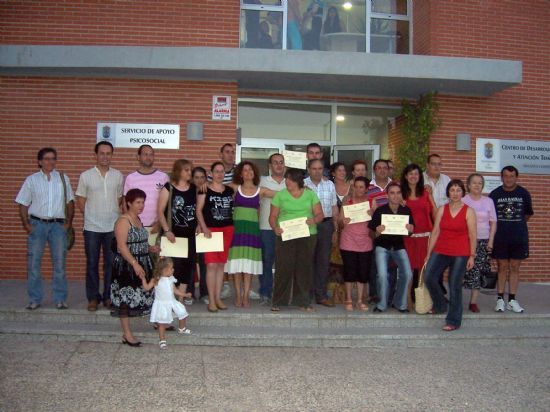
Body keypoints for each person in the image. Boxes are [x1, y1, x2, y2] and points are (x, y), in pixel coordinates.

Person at [15, 147, 75, 310]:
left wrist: (68, 222)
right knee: (33, 264)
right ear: (40, 161)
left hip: (57, 226)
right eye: (47, 159)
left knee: (60, 264)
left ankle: (60, 299)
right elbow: (23, 203)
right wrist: (27, 225)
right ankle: (35, 299)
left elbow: (70, 202)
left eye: (53, 158)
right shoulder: (31, 180)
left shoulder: (63, 179)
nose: (51, 162)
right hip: (37, 225)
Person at [76, 141, 123, 312]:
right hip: (92, 228)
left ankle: (108, 297)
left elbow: (119, 199)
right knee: (92, 263)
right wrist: (91, 215)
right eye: (102, 153)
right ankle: (93, 298)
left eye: (108, 153)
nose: (105, 156)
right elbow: (80, 199)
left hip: (112, 227)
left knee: (111, 264)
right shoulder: (86, 176)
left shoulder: (118, 176)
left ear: (112, 155)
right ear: (95, 155)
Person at [424, 180, 477, 331]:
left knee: (454, 285)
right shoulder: (442, 209)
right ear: (448, 193)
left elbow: (473, 235)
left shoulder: (469, 211)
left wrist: (472, 255)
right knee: (429, 277)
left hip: (461, 252)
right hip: (441, 249)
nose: (455, 193)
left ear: (463, 193)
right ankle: (440, 304)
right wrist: (429, 253)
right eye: (452, 190)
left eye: (458, 190)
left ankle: (453, 320)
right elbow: (435, 232)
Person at [269, 168, 323, 312]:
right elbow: (273, 216)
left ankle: (303, 301)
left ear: (298, 181)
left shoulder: (310, 194)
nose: (287, 182)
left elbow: (320, 215)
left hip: (307, 234)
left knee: (304, 268)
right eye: (286, 179)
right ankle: (278, 301)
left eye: (290, 180)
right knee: (283, 267)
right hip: (285, 235)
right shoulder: (280, 195)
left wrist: (313, 220)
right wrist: (275, 228)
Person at [110, 189, 155, 347]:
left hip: (142, 263)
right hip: (127, 265)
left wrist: (150, 248)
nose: (141, 205)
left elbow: (138, 241)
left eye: (143, 202)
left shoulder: (137, 219)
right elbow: (122, 246)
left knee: (141, 295)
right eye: (138, 202)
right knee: (125, 298)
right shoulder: (123, 221)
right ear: (129, 202)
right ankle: (127, 334)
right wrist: (134, 264)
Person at [226, 161, 274, 308]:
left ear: (254, 172)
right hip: (237, 231)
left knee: (248, 266)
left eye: (250, 170)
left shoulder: (261, 191)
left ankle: (246, 295)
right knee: (236, 266)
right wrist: (203, 185)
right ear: (240, 173)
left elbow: (283, 194)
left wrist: (302, 188)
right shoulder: (234, 188)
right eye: (245, 170)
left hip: (253, 232)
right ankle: (238, 295)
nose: (248, 172)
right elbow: (215, 188)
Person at [490, 166, 533, 313]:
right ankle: (500, 299)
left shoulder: (524, 193)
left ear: (516, 177)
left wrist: (515, 224)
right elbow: (492, 217)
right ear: (501, 177)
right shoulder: (494, 194)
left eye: (512, 176)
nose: (509, 179)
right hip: (500, 238)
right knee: (502, 267)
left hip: (518, 237)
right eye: (506, 176)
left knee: (515, 267)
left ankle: (512, 300)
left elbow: (527, 215)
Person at [368, 182, 414, 313]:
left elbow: (410, 231)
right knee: (382, 275)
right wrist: (376, 231)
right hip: (382, 247)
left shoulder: (406, 210)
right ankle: (382, 304)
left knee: (408, 274)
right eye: (392, 193)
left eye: (398, 193)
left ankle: (400, 303)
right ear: (387, 195)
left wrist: (411, 230)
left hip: (399, 247)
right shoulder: (380, 211)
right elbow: (370, 233)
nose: (395, 196)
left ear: (401, 195)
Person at [157, 159, 198, 304]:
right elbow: (160, 211)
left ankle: (180, 299)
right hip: (172, 235)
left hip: (190, 235)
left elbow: (197, 210)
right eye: (186, 170)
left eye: (190, 170)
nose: (189, 172)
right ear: (178, 171)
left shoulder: (194, 188)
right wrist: (167, 230)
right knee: (171, 267)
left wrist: (199, 225)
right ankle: (169, 298)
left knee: (187, 267)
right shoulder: (169, 188)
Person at [197, 161, 235, 313]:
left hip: (227, 229)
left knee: (221, 265)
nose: (220, 174)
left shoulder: (229, 190)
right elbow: (198, 210)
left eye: (222, 171)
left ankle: (218, 298)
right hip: (210, 231)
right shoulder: (204, 189)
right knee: (211, 265)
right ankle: (211, 300)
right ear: (211, 173)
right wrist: (204, 227)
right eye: (217, 171)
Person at [305, 159, 339, 307]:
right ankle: (306, 295)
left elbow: (334, 208)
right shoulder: (303, 185)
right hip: (307, 226)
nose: (317, 171)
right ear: (308, 169)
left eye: (320, 168)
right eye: (314, 168)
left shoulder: (330, 185)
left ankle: (321, 295)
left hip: (326, 225)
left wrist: (335, 229)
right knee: (306, 260)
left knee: (323, 262)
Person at [401, 164, 436, 307]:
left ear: (420, 176)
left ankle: (423, 301)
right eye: (410, 174)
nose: (413, 176)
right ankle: (407, 299)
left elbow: (434, 211)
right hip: (408, 238)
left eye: (416, 174)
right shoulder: (400, 194)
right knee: (408, 269)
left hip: (425, 237)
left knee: (424, 269)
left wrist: (439, 229)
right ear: (405, 176)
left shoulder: (426, 192)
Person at [140, 257, 192, 350]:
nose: (173, 270)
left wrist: (184, 294)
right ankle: (162, 340)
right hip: (162, 304)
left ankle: (182, 328)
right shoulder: (156, 280)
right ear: (164, 270)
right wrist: (143, 279)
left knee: (182, 312)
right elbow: (147, 288)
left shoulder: (171, 279)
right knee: (162, 323)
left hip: (172, 301)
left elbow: (175, 290)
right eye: (171, 268)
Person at [463, 173, 497, 313]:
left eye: (479, 183)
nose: (477, 185)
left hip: (483, 240)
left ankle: (473, 302)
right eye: (474, 183)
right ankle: (457, 300)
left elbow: (493, 222)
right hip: (465, 240)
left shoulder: (488, 201)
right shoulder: (463, 200)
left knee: (477, 272)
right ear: (468, 185)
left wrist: (491, 241)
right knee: (461, 271)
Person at [339, 177, 372, 311]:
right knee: (349, 271)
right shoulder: (347, 202)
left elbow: (377, 223)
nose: (358, 189)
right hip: (348, 240)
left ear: (366, 189)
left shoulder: (371, 203)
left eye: (361, 187)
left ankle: (359, 300)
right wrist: (343, 221)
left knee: (362, 272)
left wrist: (373, 214)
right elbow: (340, 223)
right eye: (355, 187)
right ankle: (348, 299)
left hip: (365, 241)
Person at [258, 153, 286, 305]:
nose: (279, 165)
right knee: (266, 262)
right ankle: (265, 293)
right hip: (266, 227)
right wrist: (286, 195)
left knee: (283, 263)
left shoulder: (290, 182)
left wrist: (269, 193)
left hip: (286, 229)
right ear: (270, 165)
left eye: (281, 162)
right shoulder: (262, 181)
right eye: (275, 162)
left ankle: (281, 293)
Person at [123, 144, 169, 231]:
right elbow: (125, 203)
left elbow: (168, 204)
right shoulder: (131, 178)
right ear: (138, 157)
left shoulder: (163, 177)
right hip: (135, 227)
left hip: (156, 227)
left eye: (151, 154)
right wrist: (130, 222)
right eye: (145, 154)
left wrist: (160, 222)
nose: (148, 157)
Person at [189, 166, 208, 303]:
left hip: (204, 231)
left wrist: (201, 225)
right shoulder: (188, 192)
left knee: (204, 263)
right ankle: (189, 292)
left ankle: (204, 293)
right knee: (189, 262)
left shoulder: (209, 191)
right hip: (189, 231)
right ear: (192, 178)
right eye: (196, 177)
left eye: (202, 177)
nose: (199, 180)